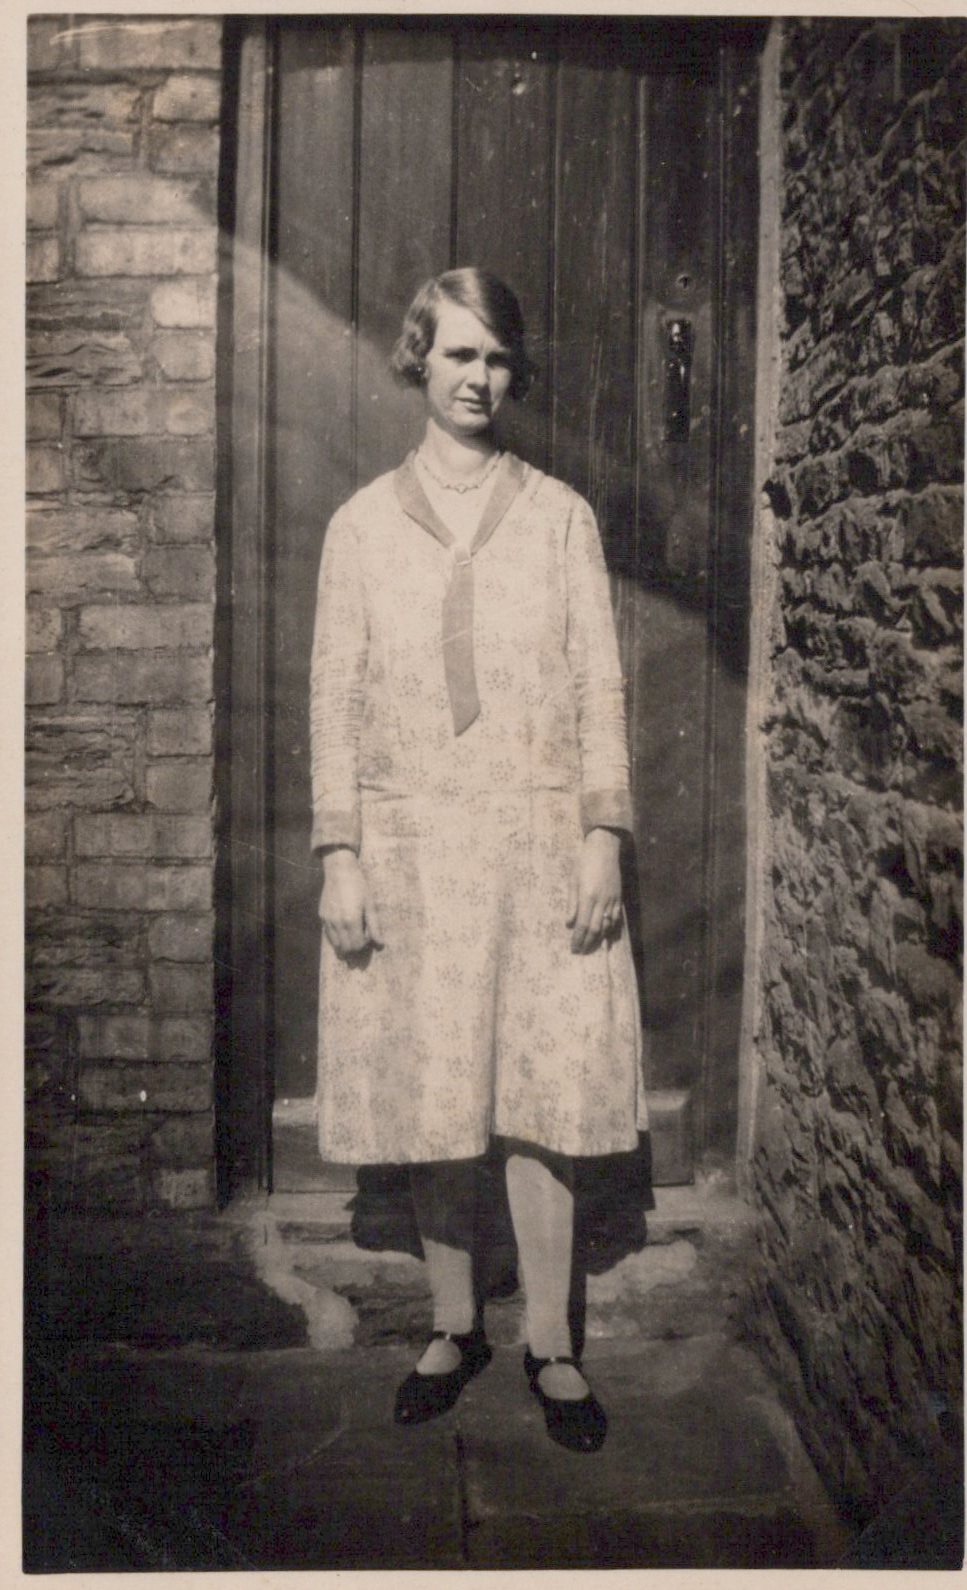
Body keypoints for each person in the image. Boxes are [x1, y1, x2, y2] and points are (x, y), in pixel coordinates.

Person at [309, 267, 646, 1453]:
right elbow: (333, 704)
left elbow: (600, 684)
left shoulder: (558, 516)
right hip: (411, 847)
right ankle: (454, 1326)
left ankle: (551, 1342)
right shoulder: (360, 526)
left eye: (496, 359)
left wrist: (602, 834)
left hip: (535, 838)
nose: (478, 379)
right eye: (456, 355)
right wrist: (339, 852)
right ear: (418, 360)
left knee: (538, 1094)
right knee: (440, 1088)